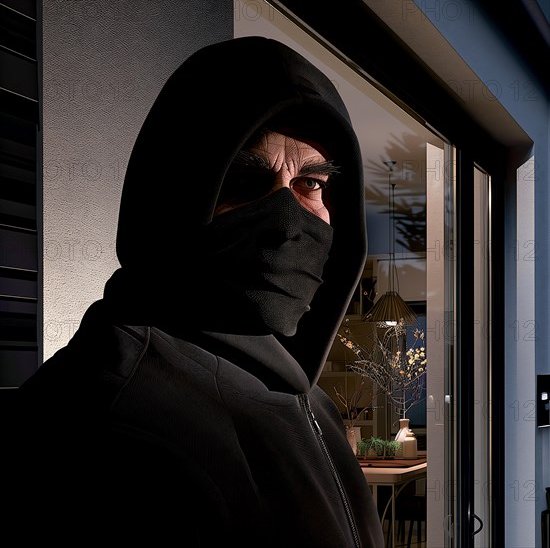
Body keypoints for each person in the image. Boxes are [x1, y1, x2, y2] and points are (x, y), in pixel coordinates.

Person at [7, 36, 384, 547]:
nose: (286, 221)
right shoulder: (96, 419)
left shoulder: (308, 399)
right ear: (173, 194)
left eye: (310, 185)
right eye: (243, 184)